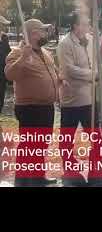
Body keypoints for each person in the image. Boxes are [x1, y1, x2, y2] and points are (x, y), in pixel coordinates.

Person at [57, 11, 102, 187]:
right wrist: (93, 74)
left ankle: (98, 176)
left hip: (90, 99)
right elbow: (68, 70)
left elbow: (96, 61)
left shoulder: (89, 40)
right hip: (72, 100)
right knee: (66, 140)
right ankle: (70, 172)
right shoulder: (65, 44)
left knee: (97, 139)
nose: (89, 25)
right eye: (86, 23)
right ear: (75, 26)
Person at [5, 19, 61, 187]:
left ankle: (38, 178)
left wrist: (59, 82)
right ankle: (22, 182)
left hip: (47, 107)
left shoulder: (46, 53)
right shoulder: (16, 52)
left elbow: (53, 74)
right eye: (43, 31)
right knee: (28, 146)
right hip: (29, 108)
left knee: (42, 145)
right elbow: (9, 75)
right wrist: (23, 57)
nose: (46, 34)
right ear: (33, 33)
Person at [0, 15, 11, 114]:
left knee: (1, 100)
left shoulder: (4, 38)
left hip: (2, 77)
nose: (5, 27)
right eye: (3, 25)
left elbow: (9, 54)